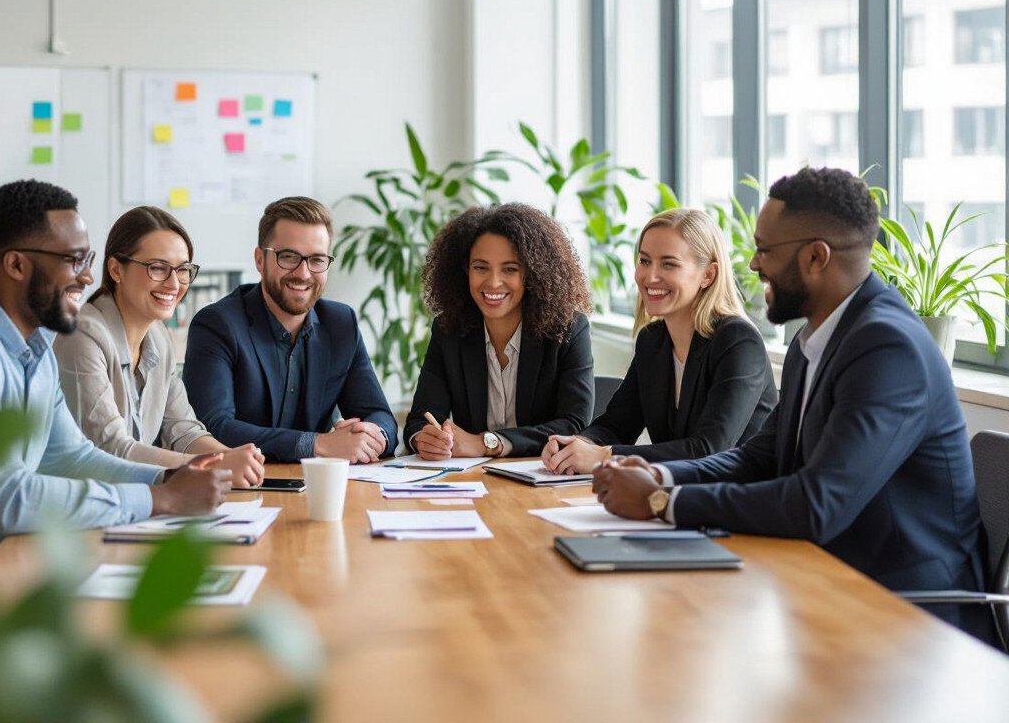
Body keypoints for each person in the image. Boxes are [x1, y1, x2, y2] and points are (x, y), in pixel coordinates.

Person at [592, 168, 990, 638]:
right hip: (821, 577)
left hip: (907, 612)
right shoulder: (815, 340)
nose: (753, 264)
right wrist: (661, 476)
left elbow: (817, 504)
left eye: (765, 250)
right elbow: (758, 458)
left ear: (816, 257)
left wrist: (661, 501)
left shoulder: (887, 348)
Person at [0, 180, 234, 549]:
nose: (87, 277)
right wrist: (160, 499)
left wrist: (167, 478)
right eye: (73, 260)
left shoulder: (36, 348)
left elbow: (71, 457)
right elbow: (5, 498)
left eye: (87, 260)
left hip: (5, 552)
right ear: (16, 264)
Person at [542, 208, 776, 474]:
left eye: (669, 264)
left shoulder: (738, 342)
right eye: (644, 261)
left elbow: (708, 450)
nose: (650, 276)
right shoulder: (652, 341)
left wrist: (604, 455)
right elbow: (616, 426)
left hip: (738, 494)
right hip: (677, 490)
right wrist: (577, 445)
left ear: (708, 275)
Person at [53, 206, 264, 484]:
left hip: (131, 499)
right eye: (157, 268)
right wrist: (215, 465)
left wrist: (234, 458)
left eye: (183, 270)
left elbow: (184, 431)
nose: (174, 284)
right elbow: (110, 448)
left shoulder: (158, 337)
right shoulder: (82, 335)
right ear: (116, 269)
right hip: (77, 503)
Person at [183, 196, 396, 463]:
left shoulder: (341, 323)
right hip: (242, 482)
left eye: (317, 260)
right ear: (260, 260)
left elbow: (381, 416)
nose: (303, 273)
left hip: (316, 481)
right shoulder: (218, 324)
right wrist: (316, 444)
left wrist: (371, 435)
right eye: (289, 257)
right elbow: (212, 428)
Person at [404, 203, 594, 459]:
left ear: (532, 273)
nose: (493, 282)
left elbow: (574, 424)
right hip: (471, 478)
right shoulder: (449, 329)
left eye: (510, 269)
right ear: (465, 270)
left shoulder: (568, 329)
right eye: (481, 267)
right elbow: (420, 420)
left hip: (542, 473)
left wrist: (487, 443)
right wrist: (426, 439)